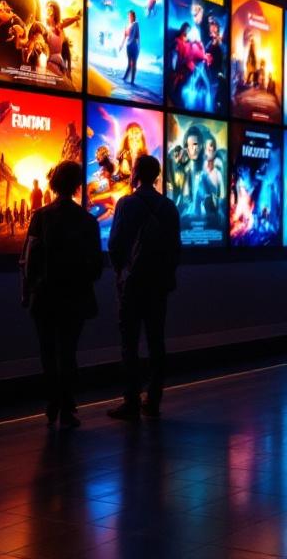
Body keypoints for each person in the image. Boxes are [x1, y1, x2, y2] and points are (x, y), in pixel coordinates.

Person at [22, 160, 104, 428]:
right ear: (78, 184)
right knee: (68, 350)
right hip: (75, 296)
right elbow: (96, 265)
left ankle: (52, 402)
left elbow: (30, 259)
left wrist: (28, 290)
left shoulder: (41, 216)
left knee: (47, 351)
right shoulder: (88, 221)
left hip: (44, 295)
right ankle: (68, 405)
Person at [106, 155, 181, 420]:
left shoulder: (126, 204)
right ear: (157, 175)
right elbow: (176, 249)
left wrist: (120, 272)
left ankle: (131, 401)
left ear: (135, 173)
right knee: (156, 340)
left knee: (129, 343)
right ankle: (154, 399)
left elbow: (115, 244)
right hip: (159, 283)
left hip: (133, 282)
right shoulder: (169, 207)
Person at [121, 10, 140, 85]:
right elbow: (125, 36)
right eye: (129, 16)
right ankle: (125, 77)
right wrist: (122, 45)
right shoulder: (127, 25)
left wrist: (138, 47)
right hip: (128, 46)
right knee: (129, 63)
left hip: (134, 46)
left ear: (133, 16)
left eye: (131, 15)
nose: (129, 17)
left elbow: (138, 36)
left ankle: (132, 80)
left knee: (134, 63)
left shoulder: (136, 24)